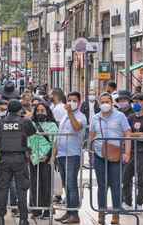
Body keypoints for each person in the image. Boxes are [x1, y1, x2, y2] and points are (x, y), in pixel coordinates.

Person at [0, 100, 36, 225]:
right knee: (21, 189)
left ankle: (0, 219)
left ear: (8, 109)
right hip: (20, 159)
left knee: (2, 189)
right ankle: (23, 219)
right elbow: (32, 132)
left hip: (4, 159)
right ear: (20, 109)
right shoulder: (25, 121)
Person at [89, 93, 131, 225]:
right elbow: (92, 135)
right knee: (102, 186)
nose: (105, 104)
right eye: (102, 102)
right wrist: (90, 153)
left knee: (115, 185)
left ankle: (115, 214)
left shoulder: (120, 116)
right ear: (99, 103)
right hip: (99, 155)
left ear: (112, 102)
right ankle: (101, 213)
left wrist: (127, 152)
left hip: (115, 155)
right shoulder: (95, 118)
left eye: (107, 101)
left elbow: (127, 133)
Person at [55, 92, 87, 224]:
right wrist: (54, 153)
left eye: (74, 100)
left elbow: (76, 127)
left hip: (72, 155)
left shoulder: (81, 116)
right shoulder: (64, 117)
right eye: (69, 100)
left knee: (71, 184)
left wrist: (69, 113)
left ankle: (74, 214)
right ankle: (68, 211)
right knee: (66, 185)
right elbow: (60, 134)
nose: (71, 102)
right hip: (61, 154)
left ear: (79, 102)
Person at [122, 93, 143, 210]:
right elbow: (125, 133)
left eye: (138, 101)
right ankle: (127, 202)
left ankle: (139, 203)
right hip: (130, 151)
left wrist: (131, 134)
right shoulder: (130, 117)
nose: (135, 104)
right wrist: (135, 135)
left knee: (141, 178)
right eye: (133, 102)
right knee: (126, 178)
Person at [28, 101, 58, 220]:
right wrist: (31, 154)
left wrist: (49, 156)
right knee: (34, 184)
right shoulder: (30, 125)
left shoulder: (52, 125)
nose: (40, 113)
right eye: (38, 111)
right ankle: (36, 209)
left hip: (47, 159)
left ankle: (47, 209)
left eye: (42, 110)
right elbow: (28, 140)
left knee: (46, 184)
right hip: (33, 158)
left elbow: (54, 143)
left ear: (47, 112)